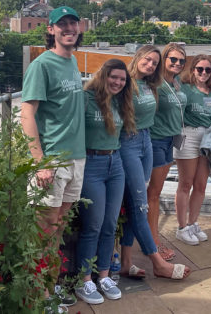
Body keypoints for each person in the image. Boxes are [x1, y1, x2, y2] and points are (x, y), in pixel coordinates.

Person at [20, 6, 85, 310]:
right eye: (62, 25)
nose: (69, 28)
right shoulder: (42, 65)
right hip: (52, 162)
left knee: (58, 228)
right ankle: (39, 296)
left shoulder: (72, 61)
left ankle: (51, 287)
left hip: (76, 159)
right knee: (43, 231)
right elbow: (27, 113)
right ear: (51, 30)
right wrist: (39, 162)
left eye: (73, 23)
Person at [119, 45, 189, 279]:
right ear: (137, 58)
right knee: (141, 203)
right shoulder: (125, 83)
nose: (150, 65)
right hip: (129, 141)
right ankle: (156, 261)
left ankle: (126, 261)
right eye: (147, 60)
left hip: (147, 140)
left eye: (154, 63)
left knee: (134, 203)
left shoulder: (151, 85)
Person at [75, 59, 134, 304]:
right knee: (93, 225)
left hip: (115, 163)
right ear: (103, 75)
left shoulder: (121, 101)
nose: (118, 83)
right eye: (114, 77)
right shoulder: (85, 98)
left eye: (122, 79)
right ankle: (84, 280)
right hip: (91, 163)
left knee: (110, 224)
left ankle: (104, 275)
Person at [174, 55, 211, 245]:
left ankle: (193, 223)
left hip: (207, 138)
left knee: (201, 185)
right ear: (193, 69)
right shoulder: (184, 88)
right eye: (199, 69)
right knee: (185, 183)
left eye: (207, 70)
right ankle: (181, 227)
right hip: (188, 135)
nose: (203, 73)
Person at [147, 43, 186, 258]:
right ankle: (154, 244)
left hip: (170, 140)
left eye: (181, 61)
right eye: (173, 59)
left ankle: (150, 239)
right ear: (164, 59)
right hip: (156, 140)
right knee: (153, 195)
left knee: (154, 193)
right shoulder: (156, 83)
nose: (177, 64)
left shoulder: (177, 82)